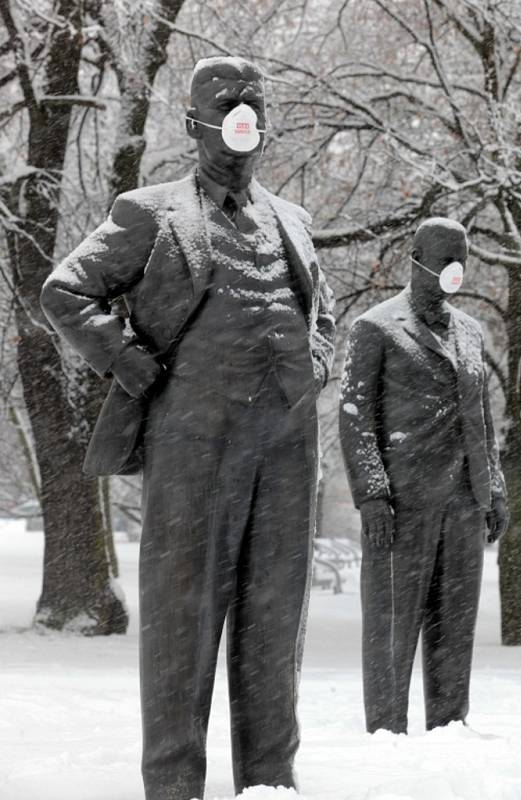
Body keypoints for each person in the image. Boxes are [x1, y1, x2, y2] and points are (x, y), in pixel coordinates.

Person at [40, 56, 335, 800]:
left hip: (286, 452)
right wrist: (126, 359)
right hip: (192, 448)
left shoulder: (294, 222)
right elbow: (65, 290)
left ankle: (270, 780)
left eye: (253, 104)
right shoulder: (151, 212)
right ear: (195, 119)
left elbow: (321, 318)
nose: (243, 116)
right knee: (182, 623)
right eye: (228, 102)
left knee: (274, 623)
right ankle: (173, 785)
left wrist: (319, 368)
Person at [339, 217, 508, 735]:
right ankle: (386, 734)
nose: (454, 271)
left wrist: (494, 490)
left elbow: (480, 418)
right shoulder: (375, 328)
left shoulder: (470, 332)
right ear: (417, 259)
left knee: (454, 627)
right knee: (392, 630)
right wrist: (371, 496)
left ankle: (450, 728)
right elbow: (355, 417)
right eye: (445, 260)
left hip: (463, 504)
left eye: (461, 260)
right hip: (400, 507)